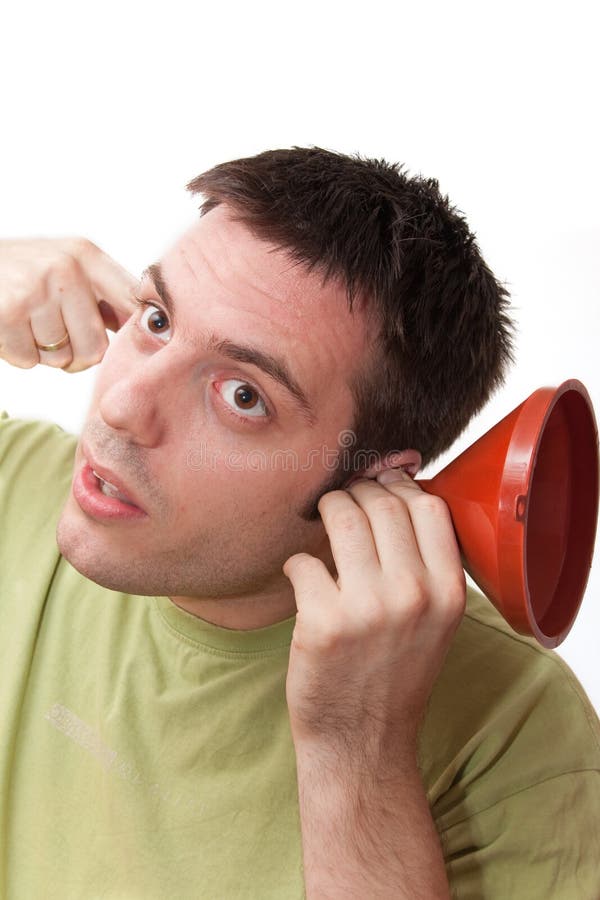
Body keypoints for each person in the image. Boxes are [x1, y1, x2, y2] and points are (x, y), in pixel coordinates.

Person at [0, 147, 598, 899]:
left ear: (374, 479)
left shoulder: (519, 729)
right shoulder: (15, 478)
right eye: (156, 319)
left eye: (243, 396)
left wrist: (356, 750)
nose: (121, 407)